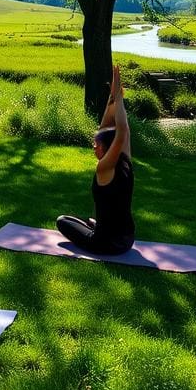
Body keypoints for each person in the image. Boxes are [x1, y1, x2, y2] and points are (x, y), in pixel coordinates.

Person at [56, 64, 135, 255]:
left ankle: (95, 229)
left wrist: (118, 96)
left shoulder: (104, 168)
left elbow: (121, 132)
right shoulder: (125, 163)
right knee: (91, 221)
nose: (94, 146)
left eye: (97, 145)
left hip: (105, 244)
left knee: (62, 220)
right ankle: (96, 225)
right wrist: (115, 96)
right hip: (127, 239)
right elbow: (113, 128)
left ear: (108, 149)